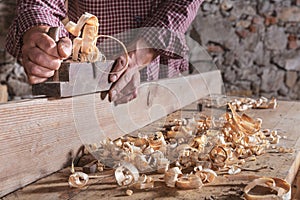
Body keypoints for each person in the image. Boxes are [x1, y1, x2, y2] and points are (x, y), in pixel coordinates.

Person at [6, 0, 203, 104]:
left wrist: (150, 42)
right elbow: (41, 3)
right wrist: (39, 31)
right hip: (83, 85)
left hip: (158, 75)